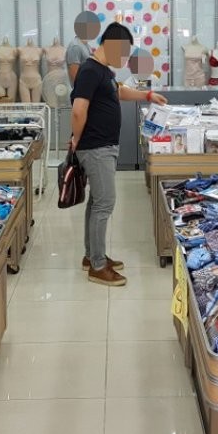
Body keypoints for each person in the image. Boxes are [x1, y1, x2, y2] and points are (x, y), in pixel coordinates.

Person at [69, 22, 167, 286]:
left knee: (96, 202)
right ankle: (98, 266)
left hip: (102, 146)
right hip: (96, 147)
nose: (124, 59)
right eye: (122, 52)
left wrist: (147, 95)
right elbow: (78, 110)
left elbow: (119, 91)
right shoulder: (90, 70)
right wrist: (76, 139)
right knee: (105, 203)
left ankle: (92, 256)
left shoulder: (103, 71)